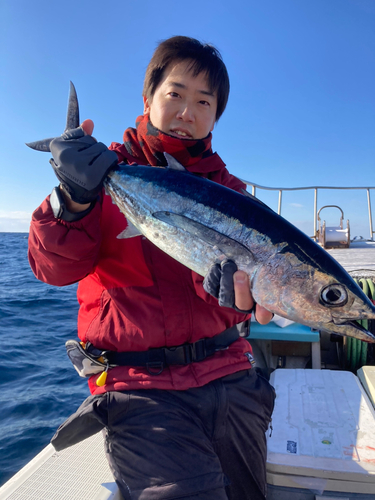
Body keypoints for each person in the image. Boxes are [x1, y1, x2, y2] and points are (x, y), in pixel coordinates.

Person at [28, 36, 275, 500]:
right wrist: (73, 199)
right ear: (148, 98)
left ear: (216, 115)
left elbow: (244, 305)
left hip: (229, 377)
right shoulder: (103, 172)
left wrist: (243, 303)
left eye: (204, 101)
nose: (188, 112)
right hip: (138, 388)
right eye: (175, 94)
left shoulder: (233, 192)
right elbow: (53, 270)